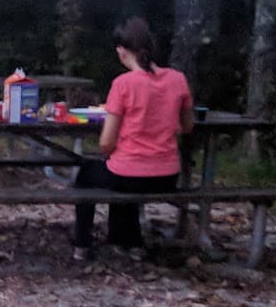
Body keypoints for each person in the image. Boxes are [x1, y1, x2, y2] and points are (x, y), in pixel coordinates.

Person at [73, 17, 194, 261]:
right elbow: (187, 126)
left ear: (121, 50)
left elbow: (106, 143)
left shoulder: (123, 84)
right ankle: (128, 241)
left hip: (129, 173)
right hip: (167, 175)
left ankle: (82, 243)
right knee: (120, 170)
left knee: (89, 172)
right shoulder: (178, 80)